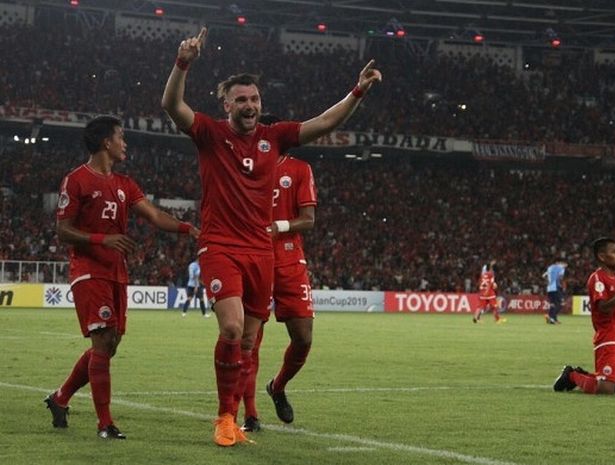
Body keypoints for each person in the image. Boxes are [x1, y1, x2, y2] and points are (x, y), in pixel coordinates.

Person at [161, 27, 381, 447]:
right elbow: (172, 104)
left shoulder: (273, 137)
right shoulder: (210, 133)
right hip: (221, 246)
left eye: (254, 99)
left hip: (261, 252)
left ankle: (241, 413)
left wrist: (358, 91)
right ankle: (225, 417)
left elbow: (324, 123)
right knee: (230, 329)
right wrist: (183, 63)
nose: (249, 105)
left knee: (247, 339)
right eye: (241, 100)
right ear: (226, 105)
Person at [45, 115, 199, 439]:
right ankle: (105, 424)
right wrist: (102, 239)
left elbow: (155, 215)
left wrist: (190, 229)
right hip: (88, 270)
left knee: (110, 344)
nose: (124, 143)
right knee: (102, 342)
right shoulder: (76, 180)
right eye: (121, 137)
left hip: (117, 272)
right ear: (106, 143)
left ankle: (59, 398)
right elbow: (62, 229)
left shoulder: (125, 184)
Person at [231, 114, 317, 432]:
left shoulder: (299, 169)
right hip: (254, 257)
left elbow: (308, 219)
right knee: (249, 341)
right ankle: (251, 415)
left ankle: (277, 386)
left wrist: (276, 226)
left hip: (290, 262)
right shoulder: (243, 167)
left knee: (303, 338)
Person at [553, 237, 615, 395]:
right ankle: (572, 375)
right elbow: (604, 307)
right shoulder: (597, 277)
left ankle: (589, 376)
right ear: (602, 256)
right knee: (605, 390)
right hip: (608, 339)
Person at [543, 260, 567, 324]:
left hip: (549, 288)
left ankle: (553, 318)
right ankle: (552, 317)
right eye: (564, 263)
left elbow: (543, 276)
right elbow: (560, 277)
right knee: (562, 303)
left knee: (553, 304)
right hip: (556, 288)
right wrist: (562, 286)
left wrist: (549, 283)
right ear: (559, 262)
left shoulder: (549, 267)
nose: (565, 265)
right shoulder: (561, 268)